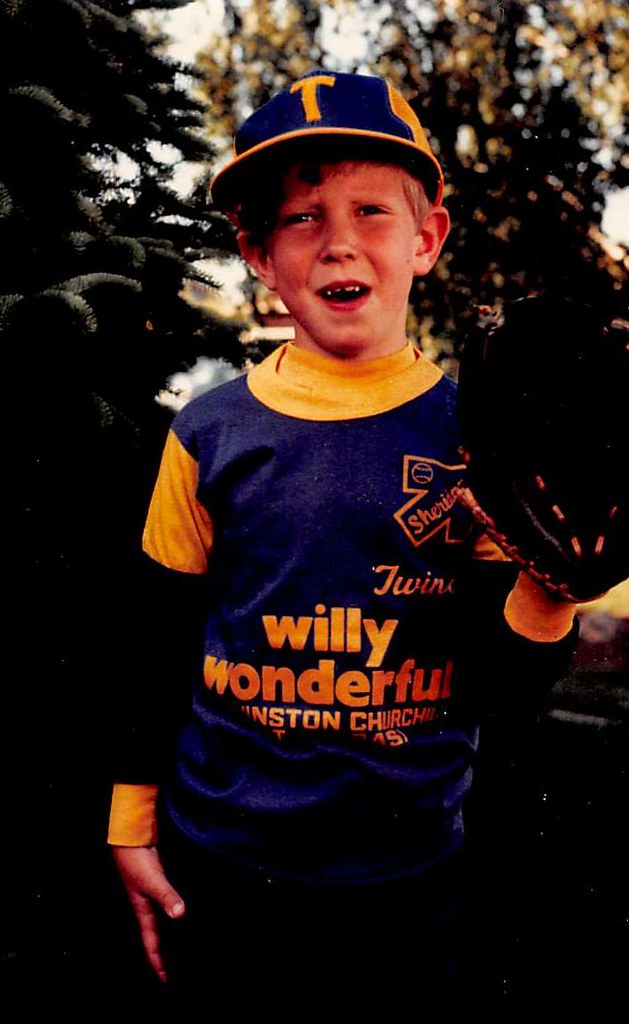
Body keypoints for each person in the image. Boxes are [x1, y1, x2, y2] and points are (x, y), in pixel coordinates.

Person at [109, 70, 578, 1014]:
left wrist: (553, 585)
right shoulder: (208, 434)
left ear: (426, 240)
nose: (338, 242)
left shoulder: (485, 438)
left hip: (402, 875)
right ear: (257, 254)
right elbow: (156, 640)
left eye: (371, 209)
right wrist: (132, 823)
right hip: (225, 860)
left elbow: (499, 689)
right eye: (299, 218)